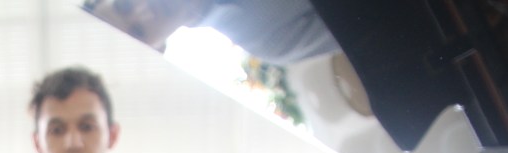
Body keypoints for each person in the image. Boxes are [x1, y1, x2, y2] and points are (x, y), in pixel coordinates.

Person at [83, 0, 339, 66]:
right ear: (157, 49)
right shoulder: (269, 39)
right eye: (137, 32)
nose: (142, 11)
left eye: (123, 4)